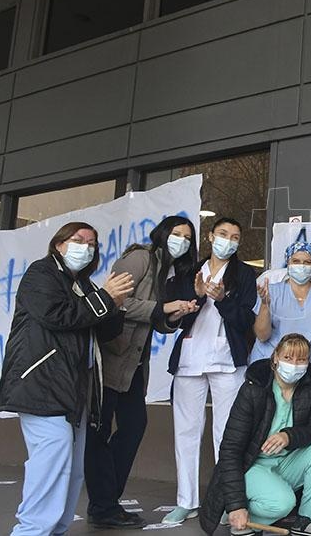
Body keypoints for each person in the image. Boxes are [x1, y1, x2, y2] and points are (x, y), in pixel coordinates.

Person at [0, 222, 133, 536]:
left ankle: (55, 530)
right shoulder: (41, 273)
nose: (85, 247)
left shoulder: (83, 285)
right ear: (59, 244)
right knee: (51, 464)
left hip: (75, 392)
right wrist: (105, 298)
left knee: (72, 470)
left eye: (92, 243)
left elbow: (105, 332)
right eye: (78, 239)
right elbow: (58, 316)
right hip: (42, 385)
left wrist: (116, 304)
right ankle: (31, 531)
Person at [84, 216, 201, 529]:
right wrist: (163, 308)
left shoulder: (169, 271)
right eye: (177, 234)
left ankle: (106, 501)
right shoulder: (140, 258)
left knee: (134, 426)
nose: (182, 241)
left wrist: (174, 315)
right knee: (99, 433)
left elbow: (157, 321)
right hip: (112, 358)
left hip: (134, 364)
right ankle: (104, 505)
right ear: (162, 234)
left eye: (187, 237)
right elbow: (114, 300)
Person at [162, 217, 258, 524]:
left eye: (235, 236)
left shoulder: (245, 274)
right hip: (190, 357)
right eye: (223, 234)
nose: (228, 240)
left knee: (228, 433)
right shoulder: (189, 271)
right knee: (186, 431)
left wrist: (222, 299)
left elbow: (246, 321)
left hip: (227, 359)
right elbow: (174, 317)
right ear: (210, 236)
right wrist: (199, 296)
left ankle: (228, 501)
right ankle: (186, 500)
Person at [200, 333, 311, 536]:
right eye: (288, 358)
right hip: (252, 465)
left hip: (286, 462)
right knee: (282, 503)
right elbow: (230, 450)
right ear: (275, 358)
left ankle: (308, 521)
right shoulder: (253, 389)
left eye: (301, 359)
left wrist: (288, 436)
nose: (294, 365)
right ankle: (241, 515)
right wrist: (236, 505)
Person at [250, 241, 311, 369]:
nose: (301, 266)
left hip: (305, 369)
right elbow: (262, 336)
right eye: (296, 261)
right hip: (268, 365)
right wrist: (265, 305)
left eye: (307, 262)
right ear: (288, 263)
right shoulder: (271, 292)